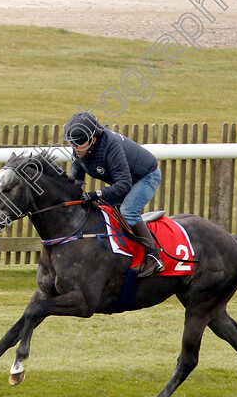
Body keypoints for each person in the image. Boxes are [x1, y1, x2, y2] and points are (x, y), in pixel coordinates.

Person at [62, 112, 164, 278]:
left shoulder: (110, 146)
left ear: (93, 138)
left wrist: (95, 194)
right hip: (127, 180)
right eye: (71, 142)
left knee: (127, 211)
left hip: (146, 177)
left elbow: (123, 185)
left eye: (79, 142)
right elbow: (75, 183)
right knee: (102, 211)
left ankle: (154, 256)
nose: (75, 146)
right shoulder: (80, 151)